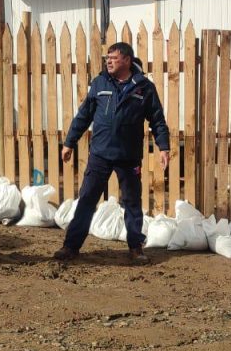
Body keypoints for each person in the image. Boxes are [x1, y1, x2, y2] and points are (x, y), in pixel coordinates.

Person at [53, 42, 170, 265]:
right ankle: (70, 246)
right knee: (87, 200)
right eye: (107, 57)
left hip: (128, 156)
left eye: (114, 58)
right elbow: (83, 116)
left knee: (132, 203)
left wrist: (163, 147)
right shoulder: (99, 83)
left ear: (126, 60)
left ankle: (136, 248)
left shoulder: (144, 87)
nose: (108, 61)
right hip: (100, 154)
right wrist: (69, 143)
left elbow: (157, 120)